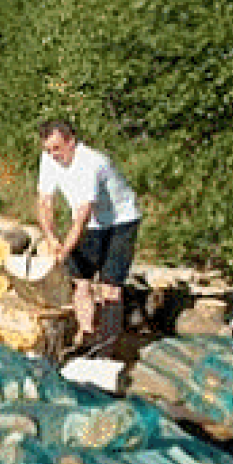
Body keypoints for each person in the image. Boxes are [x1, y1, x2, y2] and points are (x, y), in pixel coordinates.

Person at [37, 119, 140, 354]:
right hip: (89, 222)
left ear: (71, 142)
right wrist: (51, 238)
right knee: (80, 281)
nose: (53, 155)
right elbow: (44, 201)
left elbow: (83, 215)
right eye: (48, 149)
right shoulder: (48, 159)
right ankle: (86, 335)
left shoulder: (91, 163)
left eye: (57, 148)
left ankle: (107, 346)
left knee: (110, 287)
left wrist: (65, 251)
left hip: (120, 221)